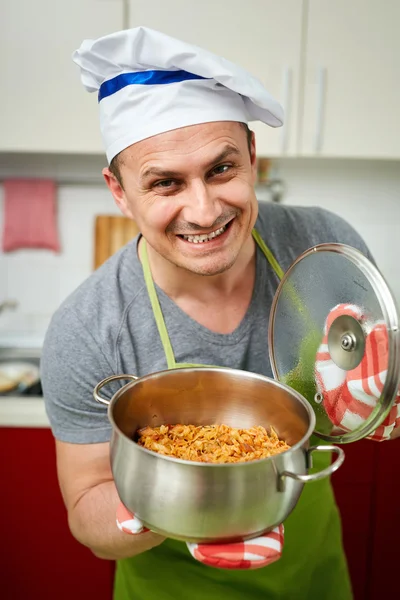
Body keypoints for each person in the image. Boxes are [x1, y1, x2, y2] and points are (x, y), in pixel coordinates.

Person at [40, 26, 398, 600]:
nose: (204, 210)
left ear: (253, 155)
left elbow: (373, 374)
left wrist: (378, 405)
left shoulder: (324, 245)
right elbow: (87, 515)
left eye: (221, 169)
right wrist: (159, 508)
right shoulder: (89, 328)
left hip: (314, 576)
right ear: (119, 191)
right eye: (165, 183)